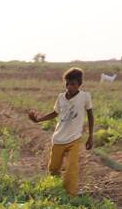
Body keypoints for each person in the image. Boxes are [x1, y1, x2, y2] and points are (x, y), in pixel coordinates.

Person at [28, 67, 94, 196]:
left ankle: (70, 195)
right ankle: (55, 190)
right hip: (58, 139)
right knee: (53, 168)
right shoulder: (61, 97)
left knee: (71, 168)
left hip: (74, 139)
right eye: (67, 84)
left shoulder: (85, 97)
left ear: (79, 84)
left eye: (73, 84)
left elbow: (91, 116)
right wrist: (39, 120)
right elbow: (55, 113)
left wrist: (91, 136)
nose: (69, 87)